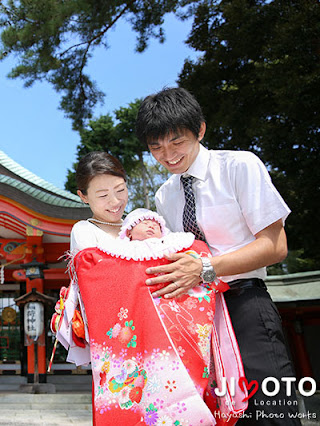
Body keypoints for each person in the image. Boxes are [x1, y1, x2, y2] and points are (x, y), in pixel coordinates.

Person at [136, 87, 299, 424]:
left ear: (200, 130)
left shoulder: (239, 166)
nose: (167, 155)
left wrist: (205, 268)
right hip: (197, 317)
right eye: (156, 147)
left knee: (271, 414)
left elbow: (275, 245)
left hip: (245, 305)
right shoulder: (165, 194)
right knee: (217, 413)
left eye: (175, 141)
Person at [52, 153, 246, 425]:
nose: (115, 201)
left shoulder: (142, 226)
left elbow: (182, 262)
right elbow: (98, 279)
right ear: (83, 196)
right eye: (103, 195)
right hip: (122, 336)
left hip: (169, 329)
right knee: (129, 401)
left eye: (120, 190)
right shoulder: (84, 230)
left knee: (182, 396)